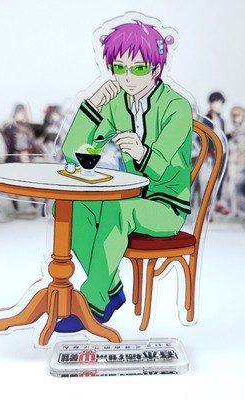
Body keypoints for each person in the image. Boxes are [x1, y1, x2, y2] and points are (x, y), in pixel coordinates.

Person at [55, 18, 193, 332]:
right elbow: (72, 150)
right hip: (128, 199)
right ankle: (112, 288)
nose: (128, 77)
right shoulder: (117, 104)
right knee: (66, 208)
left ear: (156, 68)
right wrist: (93, 104)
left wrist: (141, 152)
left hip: (167, 207)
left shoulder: (177, 107)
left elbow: (162, 166)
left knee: (118, 209)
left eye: (138, 68)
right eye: (119, 68)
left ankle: (95, 303)